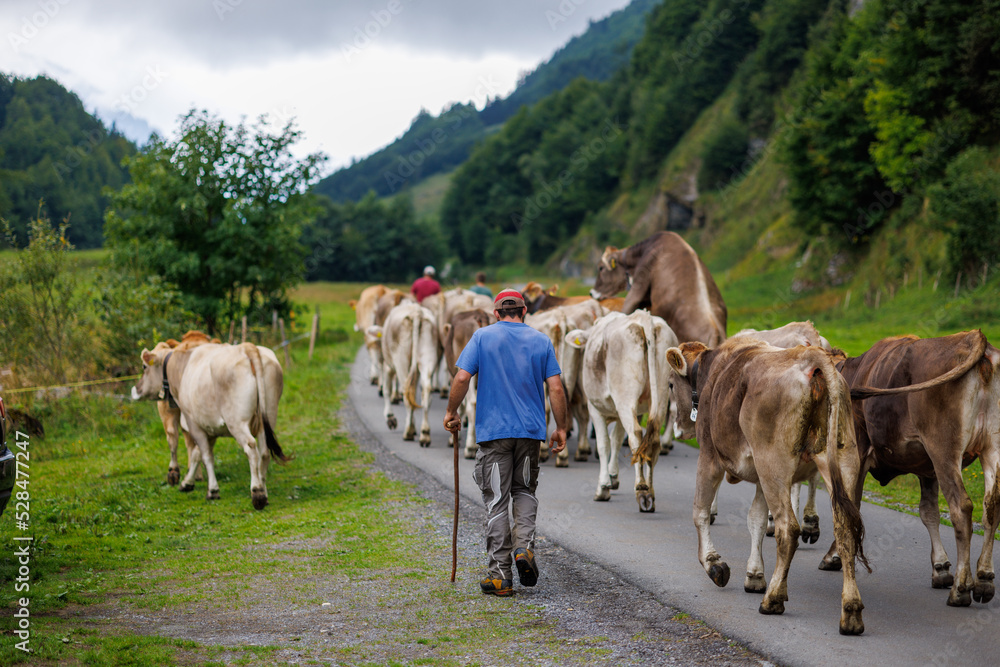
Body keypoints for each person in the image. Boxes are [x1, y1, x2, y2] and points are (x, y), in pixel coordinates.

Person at [444, 289, 569, 596]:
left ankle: (500, 575)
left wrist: (451, 411)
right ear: (524, 312)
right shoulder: (541, 341)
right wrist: (561, 427)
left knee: (498, 500)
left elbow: (461, 379)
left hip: (494, 434)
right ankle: (524, 548)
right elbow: (556, 387)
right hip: (530, 433)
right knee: (524, 490)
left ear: (497, 313)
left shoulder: (482, 337)